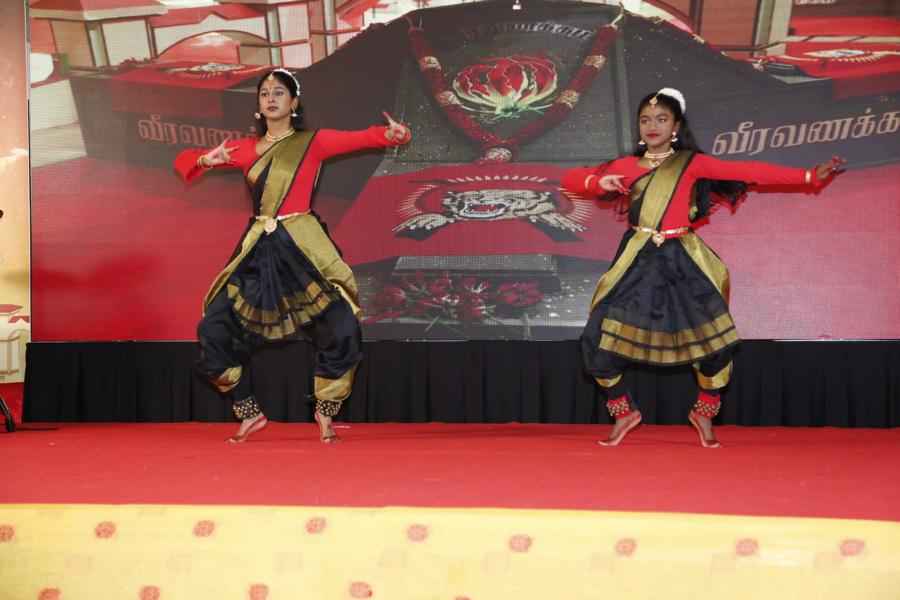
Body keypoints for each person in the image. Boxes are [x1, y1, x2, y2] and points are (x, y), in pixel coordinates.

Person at [562, 87, 843, 448]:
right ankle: (623, 412)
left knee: (716, 344)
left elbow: (747, 170)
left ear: (676, 126)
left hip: (683, 260)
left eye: (661, 119)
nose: (652, 126)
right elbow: (569, 179)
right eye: (645, 120)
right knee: (597, 338)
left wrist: (808, 176)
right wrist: (595, 181)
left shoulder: (690, 163)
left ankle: (704, 412)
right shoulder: (625, 166)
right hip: (637, 261)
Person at [174, 68, 410, 443]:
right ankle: (247, 410)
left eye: (279, 92)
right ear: (258, 106)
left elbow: (364, 137)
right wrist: (206, 160)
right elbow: (184, 160)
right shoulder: (244, 149)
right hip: (260, 249)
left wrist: (393, 135)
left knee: (341, 325)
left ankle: (325, 411)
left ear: (294, 102)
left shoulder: (313, 143)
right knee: (214, 329)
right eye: (264, 93)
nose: (271, 98)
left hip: (302, 244)